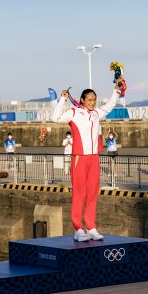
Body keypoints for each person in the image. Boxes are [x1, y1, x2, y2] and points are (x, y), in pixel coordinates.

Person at [52, 84, 119, 242]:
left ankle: (91, 227)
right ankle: (78, 228)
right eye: (89, 99)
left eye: (94, 99)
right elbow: (55, 118)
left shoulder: (96, 113)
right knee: (79, 193)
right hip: (79, 157)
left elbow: (109, 106)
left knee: (92, 193)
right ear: (82, 100)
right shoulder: (73, 112)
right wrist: (62, 99)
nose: (92, 102)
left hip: (93, 157)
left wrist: (116, 91)